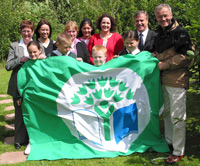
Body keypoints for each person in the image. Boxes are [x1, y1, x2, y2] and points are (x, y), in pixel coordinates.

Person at [154, 4, 193, 164]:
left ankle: (178, 151)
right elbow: (159, 54)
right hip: (163, 80)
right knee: (167, 115)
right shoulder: (159, 34)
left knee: (177, 117)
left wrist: (165, 64)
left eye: (165, 15)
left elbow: (188, 55)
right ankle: (169, 143)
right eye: (159, 16)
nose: (163, 19)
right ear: (156, 18)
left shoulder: (181, 33)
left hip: (176, 80)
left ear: (171, 14)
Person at [5, 20, 34, 150]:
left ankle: (31, 138)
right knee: (19, 112)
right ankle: (19, 139)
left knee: (33, 112)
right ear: (21, 32)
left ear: (32, 32)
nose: (26, 33)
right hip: (18, 83)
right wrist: (20, 60)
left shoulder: (37, 44)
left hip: (33, 83)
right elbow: (8, 65)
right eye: (24, 31)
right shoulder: (14, 46)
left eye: (29, 31)